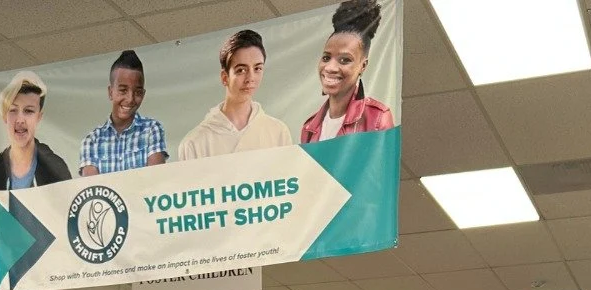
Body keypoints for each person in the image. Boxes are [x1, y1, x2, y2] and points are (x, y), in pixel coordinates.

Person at [178, 29, 293, 160]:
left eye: (257, 68)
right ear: (224, 77)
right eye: (241, 70)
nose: (251, 78)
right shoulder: (195, 143)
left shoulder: (278, 132)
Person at [300, 1, 394, 144]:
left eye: (344, 60)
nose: (330, 67)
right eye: (326, 58)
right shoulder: (309, 127)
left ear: (363, 66)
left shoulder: (378, 117)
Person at [79, 50, 167, 176]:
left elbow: (156, 180)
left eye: (138, 92)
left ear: (143, 93)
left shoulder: (152, 130)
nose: (130, 99)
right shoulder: (92, 140)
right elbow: (92, 191)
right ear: (110, 92)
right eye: (123, 90)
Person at [0, 71, 70, 190]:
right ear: (4, 116)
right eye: (13, 110)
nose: (20, 120)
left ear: (39, 117)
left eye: (28, 111)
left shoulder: (56, 169)